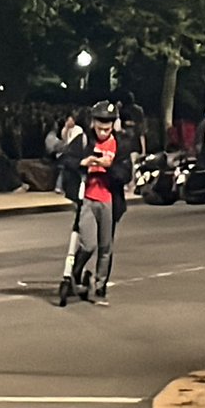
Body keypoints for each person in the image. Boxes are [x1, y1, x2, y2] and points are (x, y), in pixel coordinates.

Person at [59, 101, 132, 305]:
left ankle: (100, 287)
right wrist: (83, 163)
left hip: (109, 199)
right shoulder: (83, 141)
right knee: (88, 243)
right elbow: (65, 159)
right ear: (93, 124)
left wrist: (108, 167)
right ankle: (77, 270)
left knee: (105, 246)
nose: (102, 132)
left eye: (107, 128)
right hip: (88, 198)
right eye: (99, 128)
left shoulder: (121, 144)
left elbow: (126, 174)